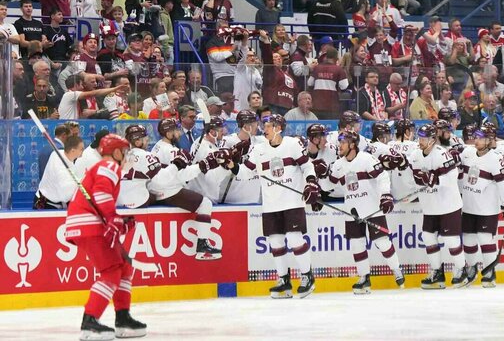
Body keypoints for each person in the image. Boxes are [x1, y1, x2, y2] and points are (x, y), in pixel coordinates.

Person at [64, 134, 147, 339]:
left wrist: (116, 220)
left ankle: (123, 317)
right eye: (125, 152)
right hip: (89, 225)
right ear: (117, 152)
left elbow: (100, 196)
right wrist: (113, 218)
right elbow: (101, 195)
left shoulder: (102, 168)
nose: (127, 157)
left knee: (124, 267)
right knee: (111, 272)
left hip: (87, 224)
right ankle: (89, 322)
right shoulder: (109, 167)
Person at [226, 114, 318, 298]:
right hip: (270, 204)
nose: (264, 129)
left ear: (279, 128)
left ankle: (307, 276)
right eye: (265, 125)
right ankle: (284, 280)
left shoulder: (292, 144)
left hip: (292, 201)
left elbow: (307, 166)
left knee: (294, 238)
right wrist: (230, 164)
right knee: (275, 242)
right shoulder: (259, 149)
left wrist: (310, 183)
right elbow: (244, 173)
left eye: (268, 126)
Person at [118, 123, 223, 259]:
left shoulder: (131, 153)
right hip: (153, 194)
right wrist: (180, 165)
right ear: (137, 141)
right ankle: (202, 246)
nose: (148, 140)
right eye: (144, 138)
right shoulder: (150, 154)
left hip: (131, 197)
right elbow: (163, 179)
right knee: (205, 204)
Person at [319, 130, 405, 293]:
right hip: (352, 210)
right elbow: (328, 187)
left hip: (372, 208)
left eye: (343, 143)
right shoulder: (338, 165)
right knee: (356, 244)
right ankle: (364, 277)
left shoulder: (366, 159)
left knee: (382, 242)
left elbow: (382, 176)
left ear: (352, 144)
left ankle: (396, 269)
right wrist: (323, 176)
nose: (340, 146)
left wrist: (385, 195)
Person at [409, 124, 467, 288]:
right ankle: (437, 272)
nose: (420, 141)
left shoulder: (442, 154)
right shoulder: (414, 155)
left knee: (450, 239)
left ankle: (461, 269)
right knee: (428, 237)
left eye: (424, 138)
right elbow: (413, 178)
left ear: (433, 140)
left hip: (448, 204)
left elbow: (451, 177)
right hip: (430, 206)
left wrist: (436, 181)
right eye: (419, 138)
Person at [457, 124, 504, 287]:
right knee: (468, 239)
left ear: (489, 141)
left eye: (481, 138)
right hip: (468, 206)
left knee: (484, 238)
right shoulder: (467, 153)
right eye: (476, 137)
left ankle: (489, 272)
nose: (477, 140)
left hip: (487, 208)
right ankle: (472, 269)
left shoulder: (496, 158)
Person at [33, 135, 84, 209]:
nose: (83, 151)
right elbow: (66, 195)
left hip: (57, 202)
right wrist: (83, 182)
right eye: (81, 149)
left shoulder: (60, 154)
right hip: (45, 204)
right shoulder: (59, 166)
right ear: (73, 150)